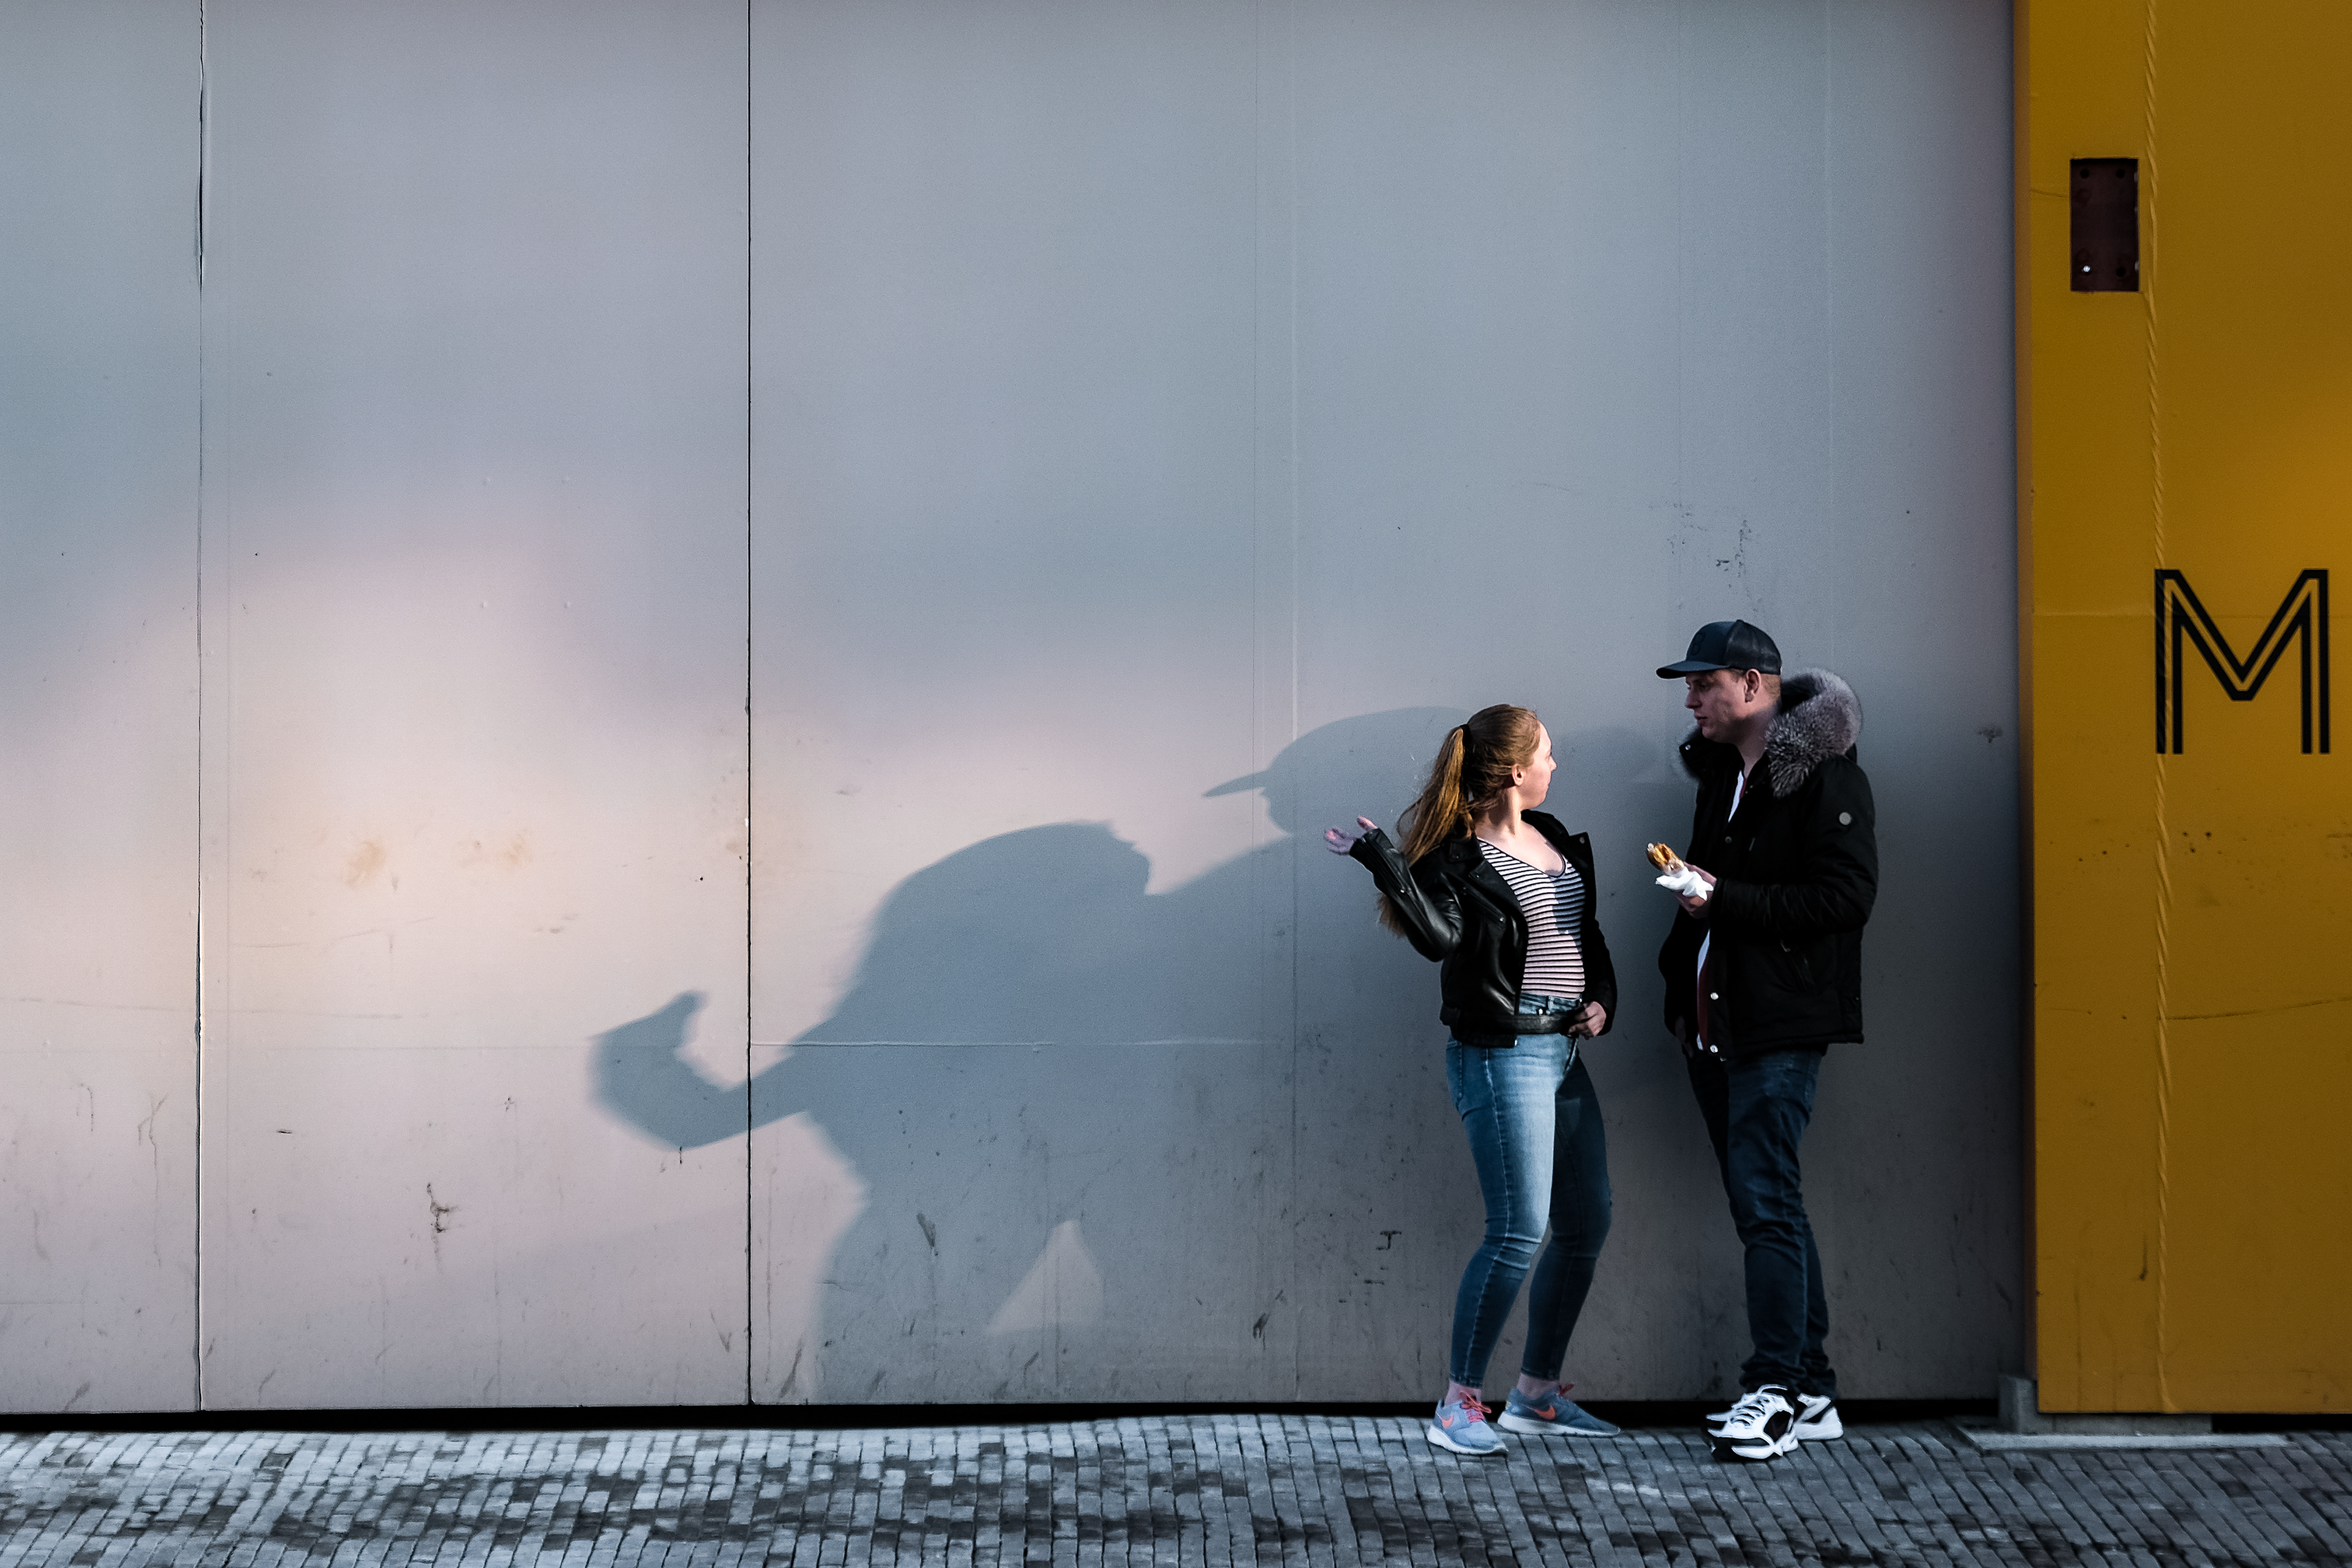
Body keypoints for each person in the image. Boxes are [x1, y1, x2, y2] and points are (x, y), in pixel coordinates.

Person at [1324, 705, 1621, 1456]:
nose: (1555, 765)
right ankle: (1459, 1403)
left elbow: (1585, 933)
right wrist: (1387, 864)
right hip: (1503, 1052)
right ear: (1517, 770)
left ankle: (1535, 1394)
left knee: (1587, 1221)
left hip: (1565, 1049)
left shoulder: (1554, 837)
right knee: (1518, 1229)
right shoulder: (1456, 859)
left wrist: (1603, 999)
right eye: (1547, 754)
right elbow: (1439, 940)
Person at [1653, 620, 1877, 1463]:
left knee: (1765, 1205)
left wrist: (1726, 900)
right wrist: (1679, 979)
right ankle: (1811, 1390)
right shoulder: (1724, 775)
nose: (1690, 699)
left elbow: (1846, 898)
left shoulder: (1827, 776)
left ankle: (1775, 1391)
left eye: (1703, 683)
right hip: (1718, 1025)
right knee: (1769, 1202)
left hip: (1780, 1026)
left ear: (1753, 684)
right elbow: (1715, 891)